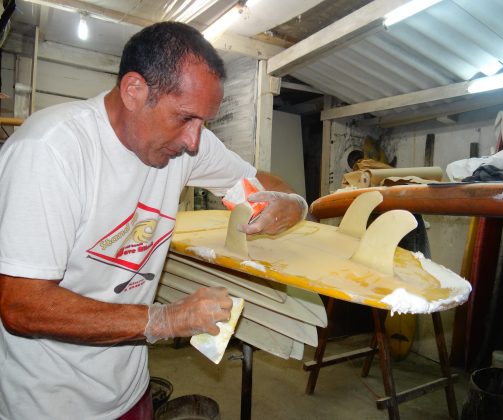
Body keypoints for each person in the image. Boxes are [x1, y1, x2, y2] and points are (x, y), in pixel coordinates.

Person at [0, 22, 307, 419]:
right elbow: (21, 304)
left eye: (204, 122)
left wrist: (294, 202)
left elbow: (259, 182)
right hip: (47, 404)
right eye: (184, 118)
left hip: (130, 389)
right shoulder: (52, 152)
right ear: (134, 92)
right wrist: (165, 319)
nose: (194, 142)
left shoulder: (187, 146)